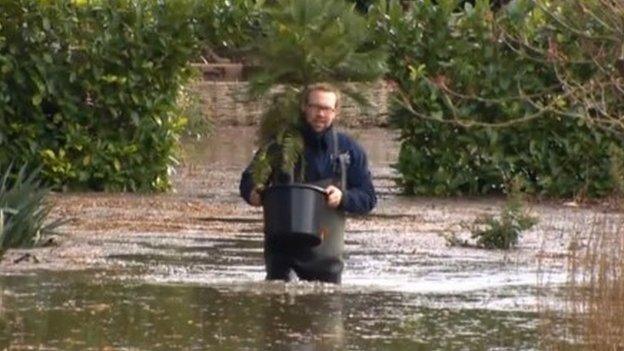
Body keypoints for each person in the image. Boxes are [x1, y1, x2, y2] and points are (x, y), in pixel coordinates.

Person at [239, 83, 376, 283]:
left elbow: (369, 198)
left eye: (326, 109)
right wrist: (255, 193)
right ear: (304, 107)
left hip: (327, 260)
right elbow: (248, 180)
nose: (320, 114)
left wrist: (343, 198)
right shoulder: (279, 144)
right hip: (281, 256)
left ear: (335, 112)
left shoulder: (349, 151)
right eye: (315, 107)